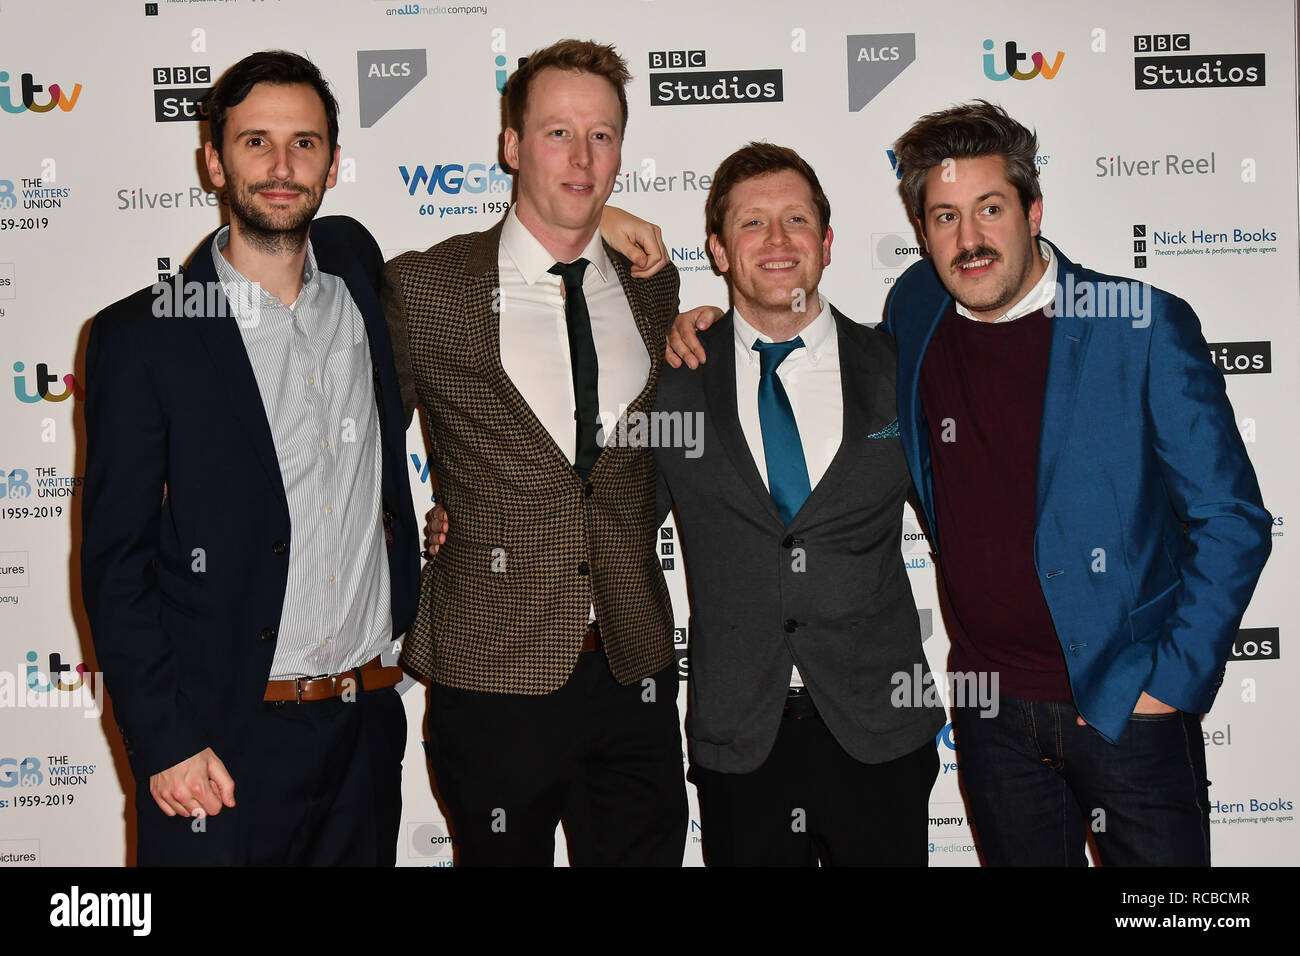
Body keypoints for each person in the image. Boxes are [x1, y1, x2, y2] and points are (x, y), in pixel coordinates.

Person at [669, 101, 1273, 867]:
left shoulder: (1138, 326)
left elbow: (1233, 521)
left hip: (1127, 710)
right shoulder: (917, 313)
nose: (970, 239)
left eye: (990, 208)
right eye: (945, 217)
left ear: (1034, 209)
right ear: (922, 236)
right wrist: (683, 319)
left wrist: (1168, 685)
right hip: (994, 721)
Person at [81, 50, 421, 865]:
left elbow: (484, 267)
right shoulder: (142, 336)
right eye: (255, 142)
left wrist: (601, 223)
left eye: (304, 144)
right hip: (218, 743)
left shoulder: (359, 275)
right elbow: (115, 564)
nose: (280, 166)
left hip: (364, 726)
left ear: (333, 165)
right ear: (213, 160)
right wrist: (163, 741)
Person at [382, 39, 687, 866]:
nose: (583, 156)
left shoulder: (653, 284)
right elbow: (361, 447)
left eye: (603, 135)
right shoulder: (426, 287)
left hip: (636, 666)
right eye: (557, 132)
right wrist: (413, 543)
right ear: (511, 145)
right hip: (490, 671)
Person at [653, 143, 942, 865]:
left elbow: (968, 522)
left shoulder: (899, 371)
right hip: (739, 734)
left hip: (880, 729)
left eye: (797, 220)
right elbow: (608, 516)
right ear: (718, 250)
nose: (777, 242)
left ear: (828, 241)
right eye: (753, 224)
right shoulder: (671, 383)